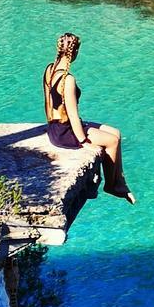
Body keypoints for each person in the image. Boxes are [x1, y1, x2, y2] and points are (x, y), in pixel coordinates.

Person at [43, 33, 136, 204]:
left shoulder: (50, 69)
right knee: (112, 141)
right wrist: (83, 141)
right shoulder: (68, 80)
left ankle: (120, 182)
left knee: (116, 132)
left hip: (55, 127)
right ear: (75, 51)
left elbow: (48, 102)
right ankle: (111, 185)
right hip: (65, 132)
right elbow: (72, 114)